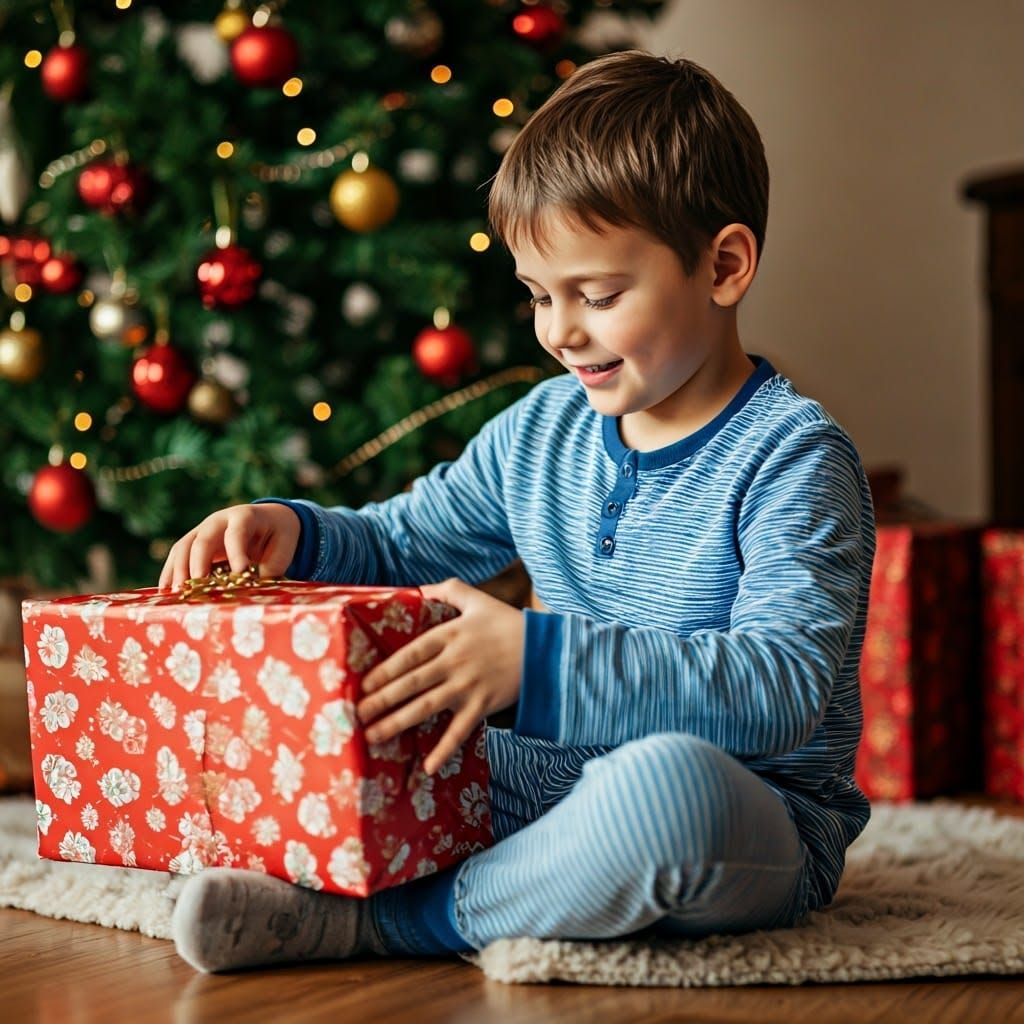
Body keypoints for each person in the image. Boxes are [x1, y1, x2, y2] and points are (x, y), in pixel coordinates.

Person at [162, 50, 875, 973]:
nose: (560, 332)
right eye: (540, 295)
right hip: (546, 781)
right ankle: (441, 879)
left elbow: (776, 691)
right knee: (381, 731)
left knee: (668, 794)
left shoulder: (794, 458)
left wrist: (535, 664)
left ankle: (385, 922)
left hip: (746, 816)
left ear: (724, 266)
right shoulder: (543, 431)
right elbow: (401, 541)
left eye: (600, 295)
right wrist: (294, 530)